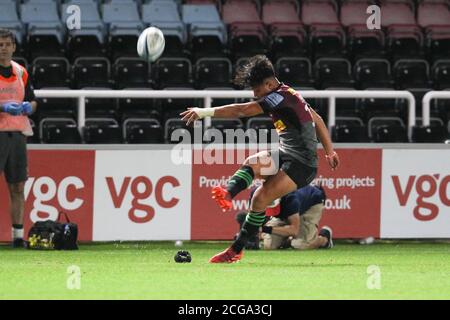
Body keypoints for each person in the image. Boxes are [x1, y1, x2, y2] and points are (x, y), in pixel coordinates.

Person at [181, 55, 339, 263]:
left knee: (260, 198)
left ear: (269, 84)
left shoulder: (280, 96)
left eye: (257, 90)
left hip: (304, 164)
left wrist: (204, 112)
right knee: (253, 162)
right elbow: (316, 118)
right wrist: (330, 151)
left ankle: (235, 250)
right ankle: (228, 194)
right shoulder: (289, 93)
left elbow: (243, 110)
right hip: (286, 153)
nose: (256, 95)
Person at [0, 29, 37, 248]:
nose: (3, 48)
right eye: (0, 44)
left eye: (7, 44)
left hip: (18, 135)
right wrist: (3, 106)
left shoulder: (21, 72)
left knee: (17, 187)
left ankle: (17, 236)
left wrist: (27, 107)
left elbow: (33, 101)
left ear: (14, 47)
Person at [235, 184, 333, 251]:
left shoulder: (291, 199)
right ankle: (287, 240)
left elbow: (294, 229)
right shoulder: (256, 194)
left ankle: (324, 238)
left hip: (311, 203)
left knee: (300, 245)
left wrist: (263, 229)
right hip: (286, 210)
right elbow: (253, 216)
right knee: (269, 245)